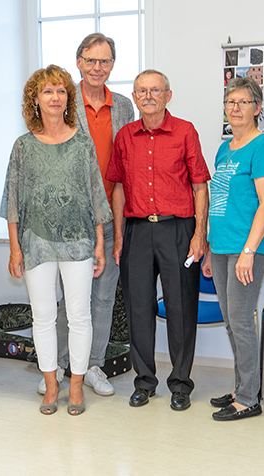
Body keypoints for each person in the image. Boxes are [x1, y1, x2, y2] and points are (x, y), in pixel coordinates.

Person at [1, 65, 112, 416]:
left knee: (79, 316)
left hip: (79, 241)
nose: (54, 97)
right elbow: (13, 200)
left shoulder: (82, 143)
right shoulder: (23, 146)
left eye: (61, 91)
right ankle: (51, 384)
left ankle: (76, 385)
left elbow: (95, 194)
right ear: (35, 99)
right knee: (44, 316)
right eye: (47, 91)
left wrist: (99, 243)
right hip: (36, 242)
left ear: (68, 98)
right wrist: (15, 248)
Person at [106, 70, 210, 411]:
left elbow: (200, 186)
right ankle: (144, 382)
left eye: (155, 90)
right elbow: (118, 188)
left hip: (177, 229)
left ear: (168, 95)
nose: (148, 96)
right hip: (137, 230)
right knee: (138, 308)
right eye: (142, 91)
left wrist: (199, 235)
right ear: (135, 97)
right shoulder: (125, 136)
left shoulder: (185, 131)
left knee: (180, 308)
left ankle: (180, 384)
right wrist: (119, 236)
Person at [40, 34, 135, 398]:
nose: (98, 67)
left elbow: (125, 166)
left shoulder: (123, 106)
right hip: (71, 220)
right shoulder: (63, 100)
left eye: (105, 61)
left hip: (111, 215)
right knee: (70, 301)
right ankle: (58, 368)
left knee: (104, 298)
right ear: (78, 62)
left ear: (112, 65)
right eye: (91, 60)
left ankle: (93, 365)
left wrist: (121, 225)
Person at [203, 78, 264, 421]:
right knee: (232, 322)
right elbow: (219, 202)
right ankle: (242, 387)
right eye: (230, 102)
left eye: (243, 102)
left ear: (257, 108)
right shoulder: (224, 149)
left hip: (247, 249)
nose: (235, 108)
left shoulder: (262, 147)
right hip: (221, 247)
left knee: (241, 321)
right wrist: (209, 248)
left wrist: (249, 251)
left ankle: (249, 398)